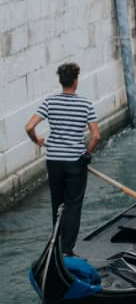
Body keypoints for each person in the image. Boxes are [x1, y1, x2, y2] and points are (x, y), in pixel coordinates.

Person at [25, 62, 100, 256]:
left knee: (58, 204)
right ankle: (67, 250)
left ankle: (56, 245)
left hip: (54, 161)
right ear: (75, 81)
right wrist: (87, 154)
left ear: (61, 81)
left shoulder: (50, 102)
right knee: (73, 206)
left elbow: (29, 127)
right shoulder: (85, 104)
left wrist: (38, 140)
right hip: (75, 161)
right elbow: (96, 136)